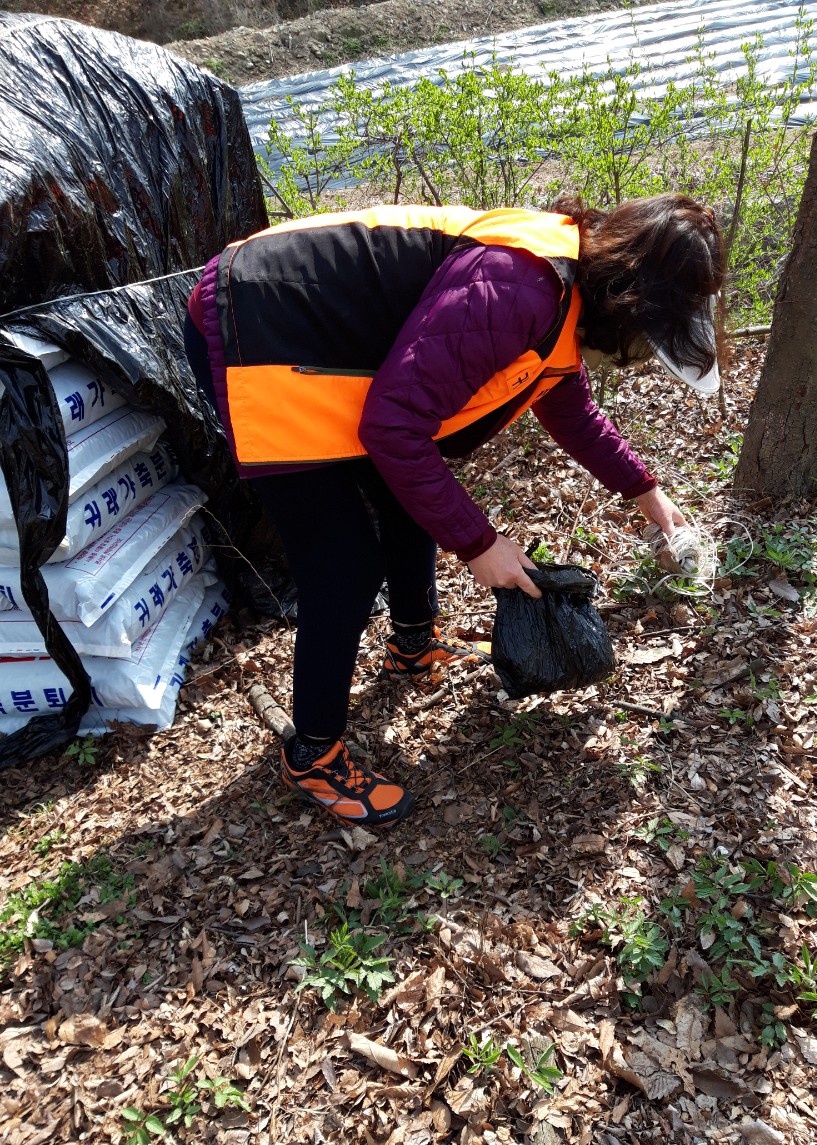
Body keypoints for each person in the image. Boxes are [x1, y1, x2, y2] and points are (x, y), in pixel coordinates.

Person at [184, 194, 725, 828]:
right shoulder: (520, 289)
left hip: (328, 343)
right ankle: (312, 755)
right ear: (627, 297)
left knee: (408, 493)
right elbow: (394, 428)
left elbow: (568, 407)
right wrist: (479, 544)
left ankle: (413, 646)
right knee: (344, 565)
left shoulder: (564, 285)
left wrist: (644, 491)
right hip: (258, 329)